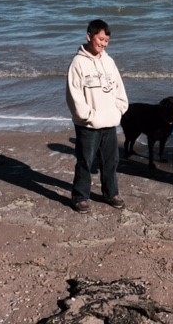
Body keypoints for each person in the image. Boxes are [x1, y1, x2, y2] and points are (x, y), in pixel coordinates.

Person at [66, 19, 129, 213]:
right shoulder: (78, 63)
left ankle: (111, 193)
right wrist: (88, 116)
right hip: (88, 125)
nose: (103, 44)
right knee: (85, 161)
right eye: (100, 39)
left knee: (111, 161)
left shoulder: (109, 62)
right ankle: (80, 197)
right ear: (89, 36)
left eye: (106, 41)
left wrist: (119, 110)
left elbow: (119, 88)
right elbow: (74, 95)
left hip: (110, 122)